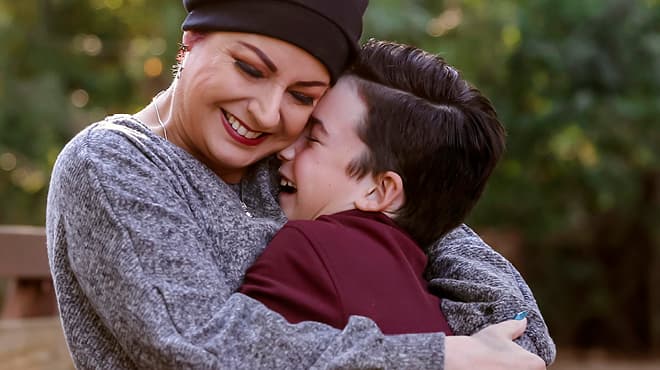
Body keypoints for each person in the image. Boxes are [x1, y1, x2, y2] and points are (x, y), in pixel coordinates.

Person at [46, 0, 553, 369]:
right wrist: (435, 356)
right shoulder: (114, 163)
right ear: (191, 40)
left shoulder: (290, 158)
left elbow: (463, 257)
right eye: (249, 68)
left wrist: (502, 348)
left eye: (302, 96)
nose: (267, 114)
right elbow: (194, 346)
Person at [239, 38, 509, 337]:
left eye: (313, 138)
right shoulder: (438, 300)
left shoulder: (308, 249)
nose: (286, 149)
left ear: (381, 191)